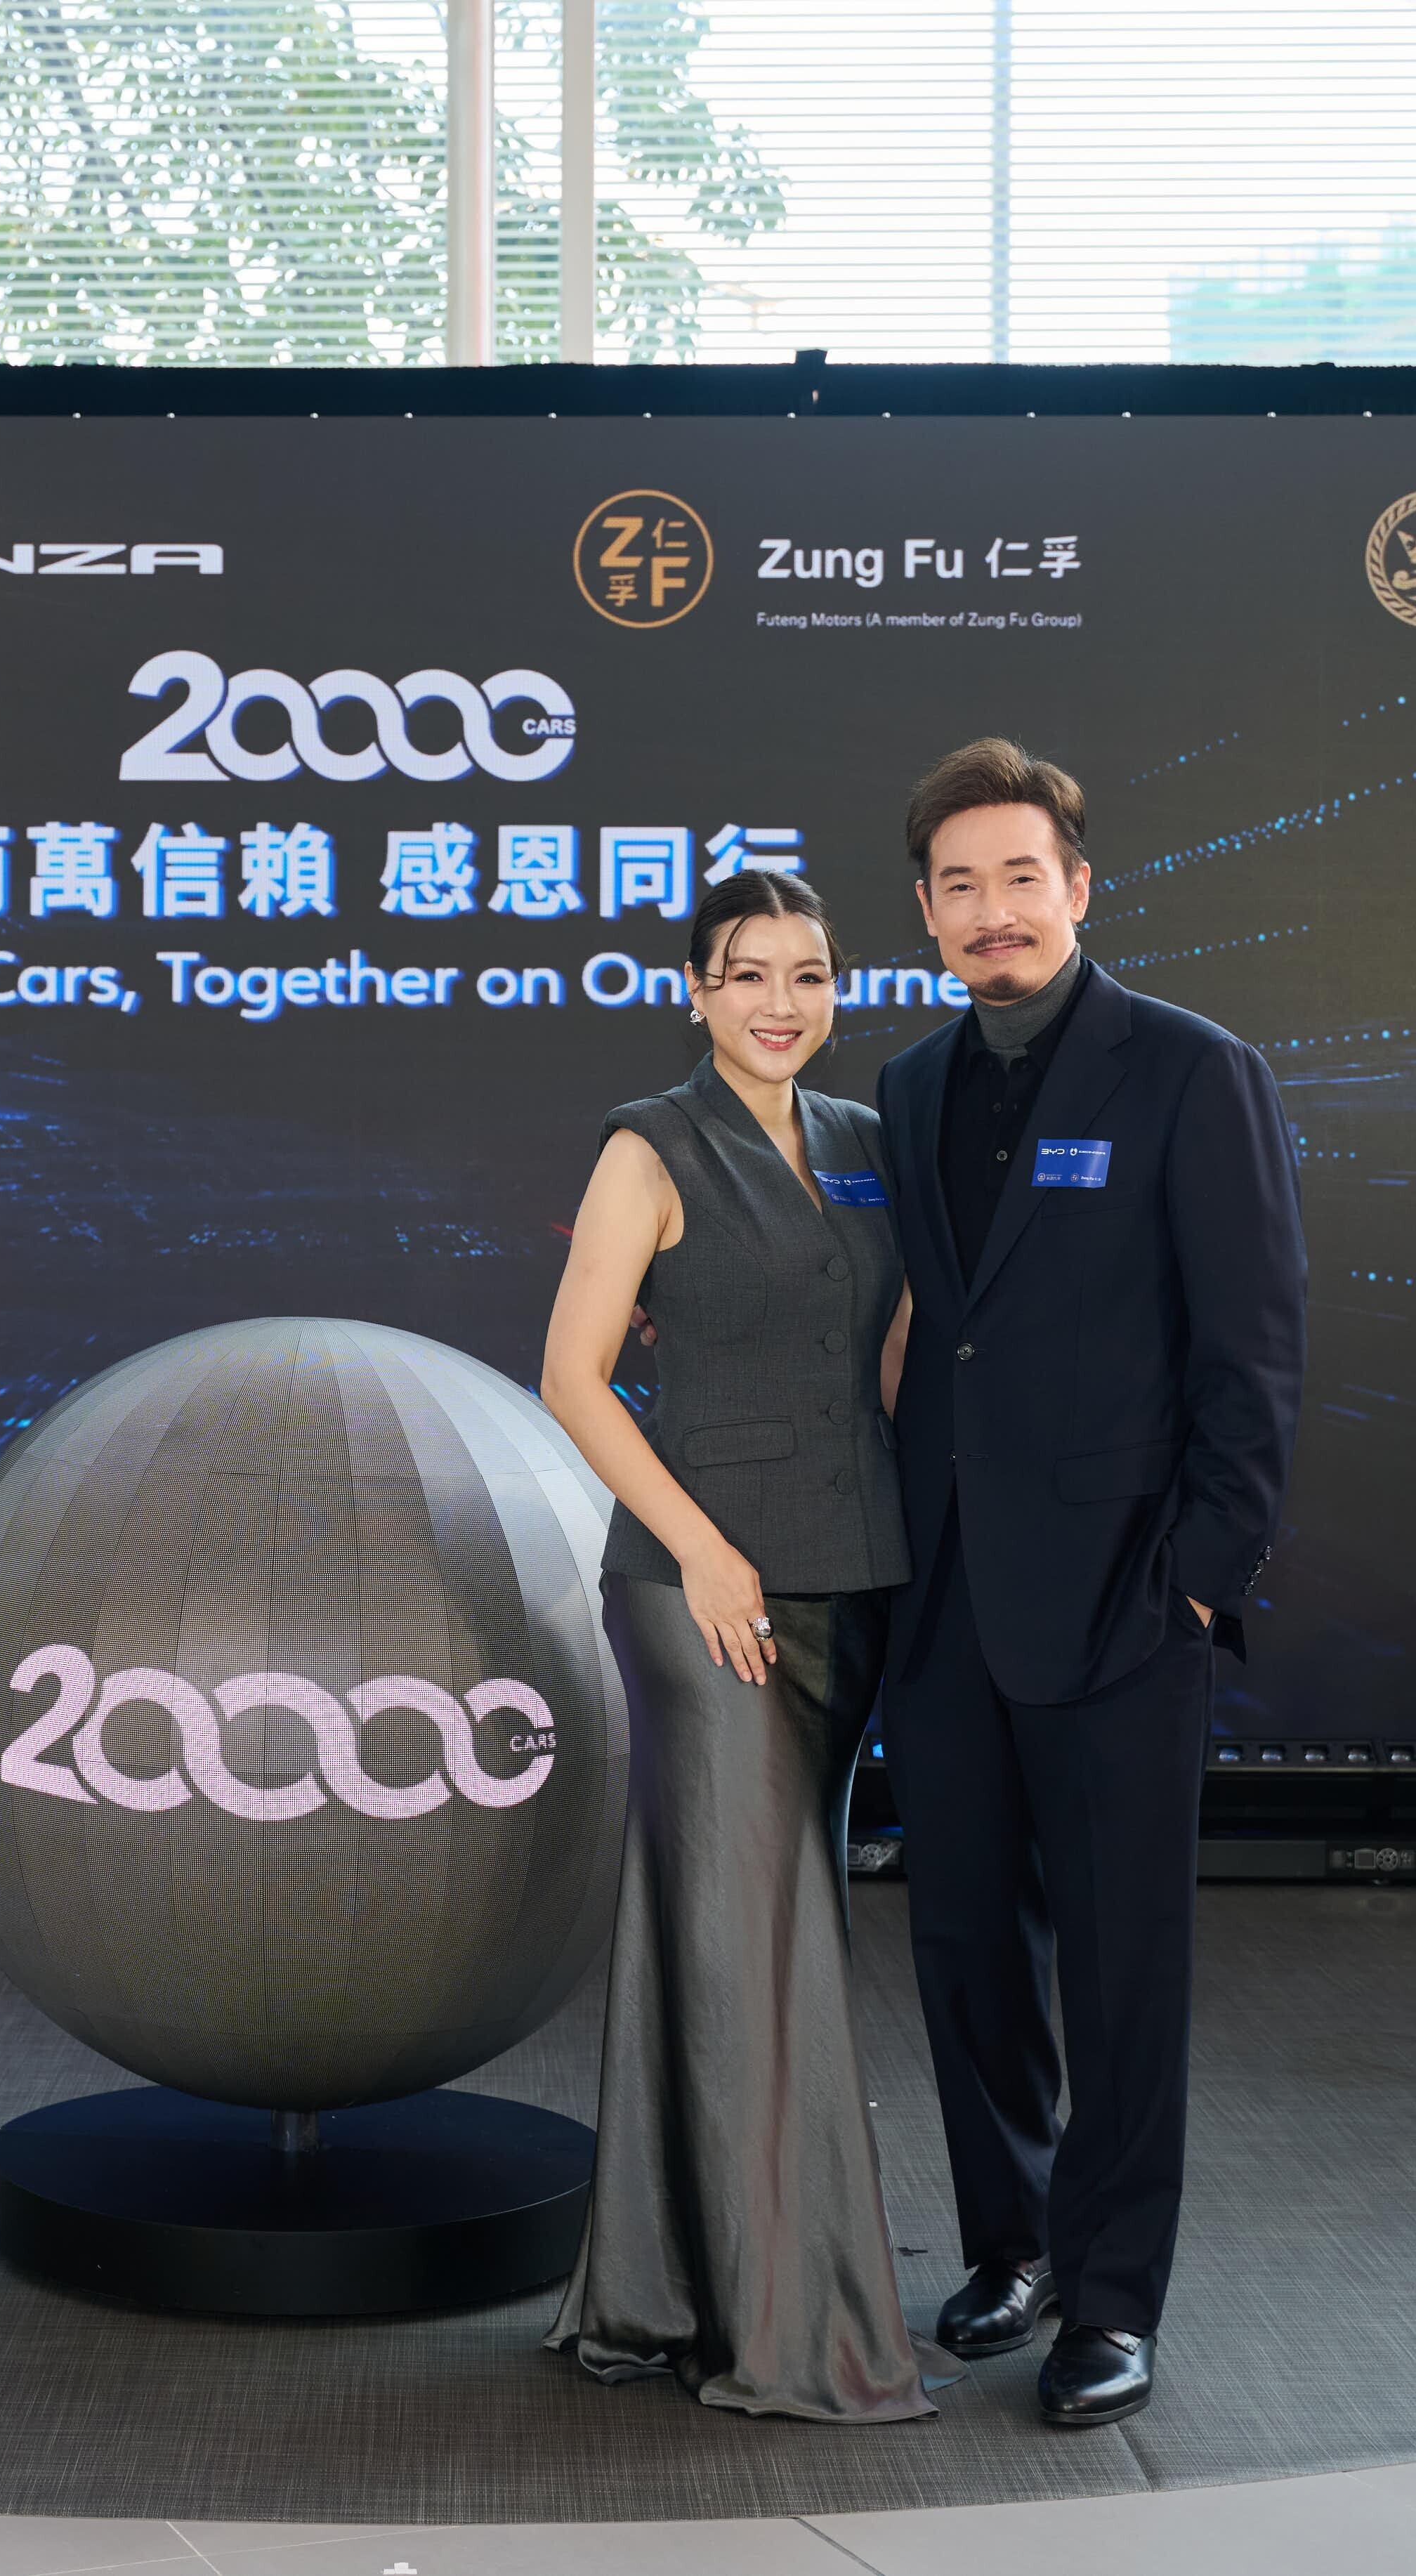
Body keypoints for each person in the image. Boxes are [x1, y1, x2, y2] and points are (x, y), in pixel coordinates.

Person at [871, 738, 1307, 2429]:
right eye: (958, 885)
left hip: (1125, 1598)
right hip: (948, 1597)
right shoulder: (913, 1085)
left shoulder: (1191, 1071)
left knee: (1124, 1973)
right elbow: (945, 1334)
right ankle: (1014, 2243)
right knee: (966, 1947)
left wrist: (1199, 1578)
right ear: (925, 912)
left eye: (1019, 876)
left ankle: (1113, 2298)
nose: (992, 909)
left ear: (1077, 886)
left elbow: (1251, 1350)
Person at [535, 867, 957, 2424]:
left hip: (858, 1578)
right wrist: (707, 1552)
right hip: (703, 1595)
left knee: (729, 1935)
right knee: (769, 1950)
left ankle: (668, 2288)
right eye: (748, 974)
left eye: (809, 974)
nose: (781, 1003)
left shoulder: (862, 1143)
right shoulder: (649, 1146)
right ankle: (793, 2332)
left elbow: (889, 1354)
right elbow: (573, 1376)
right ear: (694, 990)